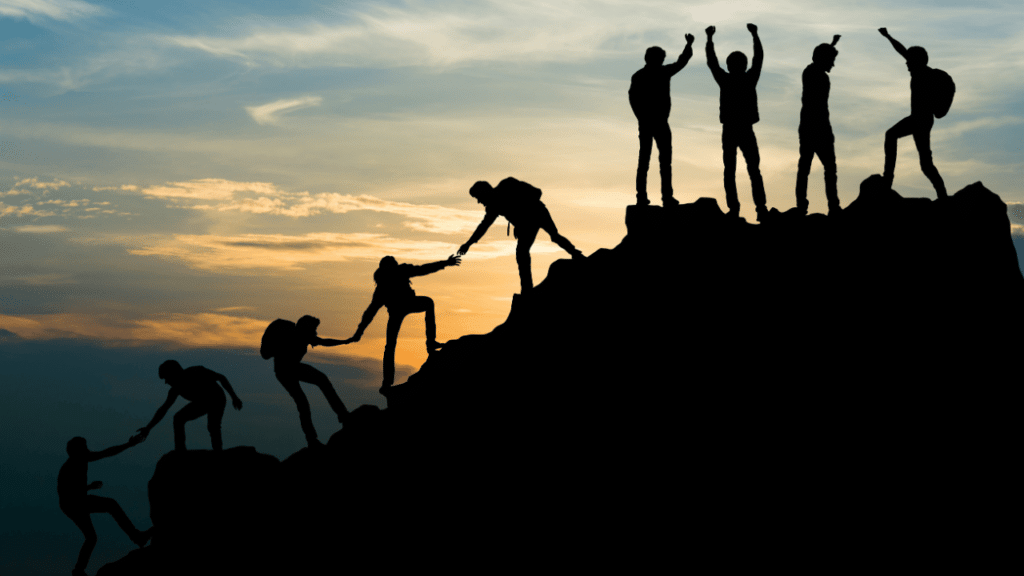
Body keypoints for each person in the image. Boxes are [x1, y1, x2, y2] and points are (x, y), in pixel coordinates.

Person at [350, 254, 461, 393]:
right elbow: (370, 312)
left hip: (407, 304)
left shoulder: (399, 272)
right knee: (390, 345)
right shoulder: (382, 286)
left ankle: (430, 343)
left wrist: (445, 263)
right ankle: (387, 382)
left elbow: (423, 269)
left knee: (428, 303)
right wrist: (359, 332)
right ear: (385, 268)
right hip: (397, 310)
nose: (392, 268)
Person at [457, 177, 584, 293]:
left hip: (538, 213)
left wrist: (522, 218)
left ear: (485, 191)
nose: (479, 201)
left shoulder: (507, 184)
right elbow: (483, 227)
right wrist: (468, 244)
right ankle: (527, 288)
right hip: (526, 225)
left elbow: (537, 192)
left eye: (478, 197)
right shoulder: (493, 207)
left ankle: (576, 254)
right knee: (522, 252)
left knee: (553, 237)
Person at [58, 436, 151, 576]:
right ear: (77, 450)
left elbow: (106, 453)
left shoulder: (79, 460)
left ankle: (78, 570)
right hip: (73, 504)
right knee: (110, 505)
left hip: (73, 503)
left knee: (91, 537)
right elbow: (66, 491)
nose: (87, 449)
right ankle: (137, 537)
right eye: (84, 447)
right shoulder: (71, 466)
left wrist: (88, 487)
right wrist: (128, 445)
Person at [706, 24, 771, 222]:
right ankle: (758, 209)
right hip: (742, 129)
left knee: (733, 170)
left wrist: (709, 39)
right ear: (742, 65)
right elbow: (758, 58)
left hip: (733, 129)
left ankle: (739, 209)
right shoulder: (748, 78)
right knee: (751, 170)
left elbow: (712, 62)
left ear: (730, 65)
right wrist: (755, 35)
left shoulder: (727, 80)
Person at [878, 28, 947, 198]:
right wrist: (888, 37)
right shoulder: (920, 71)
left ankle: (888, 180)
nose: (906, 64)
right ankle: (942, 194)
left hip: (921, 119)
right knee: (925, 163)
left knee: (891, 135)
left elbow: (903, 52)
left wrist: (888, 36)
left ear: (917, 61)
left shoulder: (924, 74)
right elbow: (902, 50)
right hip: (919, 118)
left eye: (909, 61)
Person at [629, 34, 696, 207]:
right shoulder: (652, 74)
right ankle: (647, 197)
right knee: (651, 161)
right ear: (651, 59)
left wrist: (688, 45)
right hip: (652, 122)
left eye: (661, 58)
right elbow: (633, 98)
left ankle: (661, 197)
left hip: (656, 123)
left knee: (658, 161)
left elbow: (682, 62)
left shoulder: (650, 74)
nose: (661, 61)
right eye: (659, 58)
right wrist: (641, 117)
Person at [267, 315, 351, 447]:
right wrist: (346, 341)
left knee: (319, 383)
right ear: (306, 327)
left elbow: (324, 341)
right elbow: (324, 341)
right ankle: (313, 438)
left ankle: (343, 416)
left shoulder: (304, 335)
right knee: (303, 402)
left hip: (293, 368)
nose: (316, 331)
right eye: (314, 328)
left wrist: (346, 342)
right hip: (285, 372)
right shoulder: (296, 335)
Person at [133, 360, 243, 451]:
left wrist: (234, 397)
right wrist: (148, 428)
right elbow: (163, 409)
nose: (166, 382)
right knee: (178, 418)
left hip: (217, 398)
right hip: (202, 402)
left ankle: (218, 453)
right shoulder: (175, 389)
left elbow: (221, 378)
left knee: (213, 426)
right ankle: (180, 451)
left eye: (166, 378)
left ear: (174, 373)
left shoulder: (196, 371)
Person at [795, 35, 842, 215]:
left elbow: (820, 56)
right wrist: (831, 45)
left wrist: (832, 44)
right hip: (816, 127)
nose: (833, 64)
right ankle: (831, 206)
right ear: (823, 59)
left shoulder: (812, 72)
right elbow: (820, 58)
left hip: (814, 126)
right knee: (822, 168)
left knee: (810, 167)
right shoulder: (814, 74)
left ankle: (806, 206)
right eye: (832, 60)